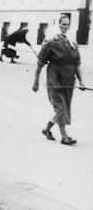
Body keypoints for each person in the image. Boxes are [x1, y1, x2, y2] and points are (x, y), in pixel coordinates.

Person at [32, 15, 86, 146]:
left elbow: (77, 63)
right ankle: (64, 136)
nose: (65, 27)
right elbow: (40, 63)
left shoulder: (73, 43)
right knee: (61, 108)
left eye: (67, 25)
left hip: (69, 80)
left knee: (64, 108)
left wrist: (81, 81)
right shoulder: (51, 42)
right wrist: (36, 82)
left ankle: (46, 129)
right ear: (58, 24)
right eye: (63, 24)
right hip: (54, 78)